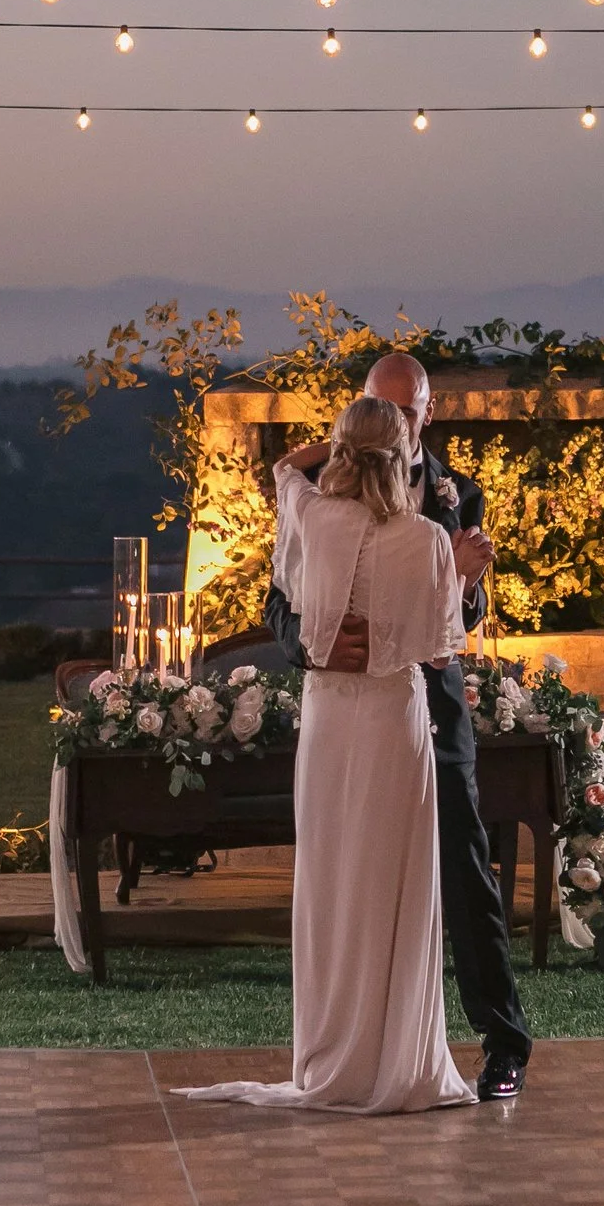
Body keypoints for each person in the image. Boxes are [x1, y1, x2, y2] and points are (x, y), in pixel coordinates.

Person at [181, 396, 477, 1114]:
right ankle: (397, 1060)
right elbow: (439, 647)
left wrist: (344, 442)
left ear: (342, 453)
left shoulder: (312, 518)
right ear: (407, 455)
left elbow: (286, 467)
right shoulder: (429, 540)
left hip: (332, 723)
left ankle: (329, 1052)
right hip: (394, 723)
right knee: (394, 885)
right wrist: (464, 573)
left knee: (333, 880)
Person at [263, 352, 534, 1101]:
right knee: (353, 875)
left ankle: (503, 1041)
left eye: (411, 411)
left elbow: (463, 621)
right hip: (350, 706)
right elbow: (278, 602)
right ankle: (360, 1044)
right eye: (385, 409)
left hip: (428, 716)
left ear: (428, 412)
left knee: (465, 874)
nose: (403, 423)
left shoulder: (458, 493)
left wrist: (464, 580)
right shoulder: (322, 494)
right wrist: (313, 644)